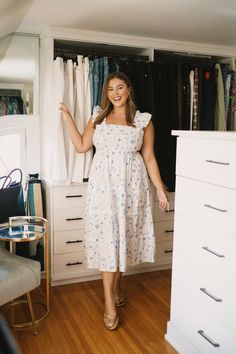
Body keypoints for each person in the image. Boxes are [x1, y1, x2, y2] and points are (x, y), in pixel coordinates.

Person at [60, 71, 169, 331]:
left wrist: (161, 190)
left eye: (120, 88)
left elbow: (150, 158)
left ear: (129, 90)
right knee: (108, 242)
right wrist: (67, 118)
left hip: (132, 190)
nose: (115, 93)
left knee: (123, 241)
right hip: (102, 191)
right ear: (106, 93)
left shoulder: (143, 121)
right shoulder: (98, 117)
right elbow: (82, 146)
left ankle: (118, 285)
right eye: (110, 89)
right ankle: (109, 301)